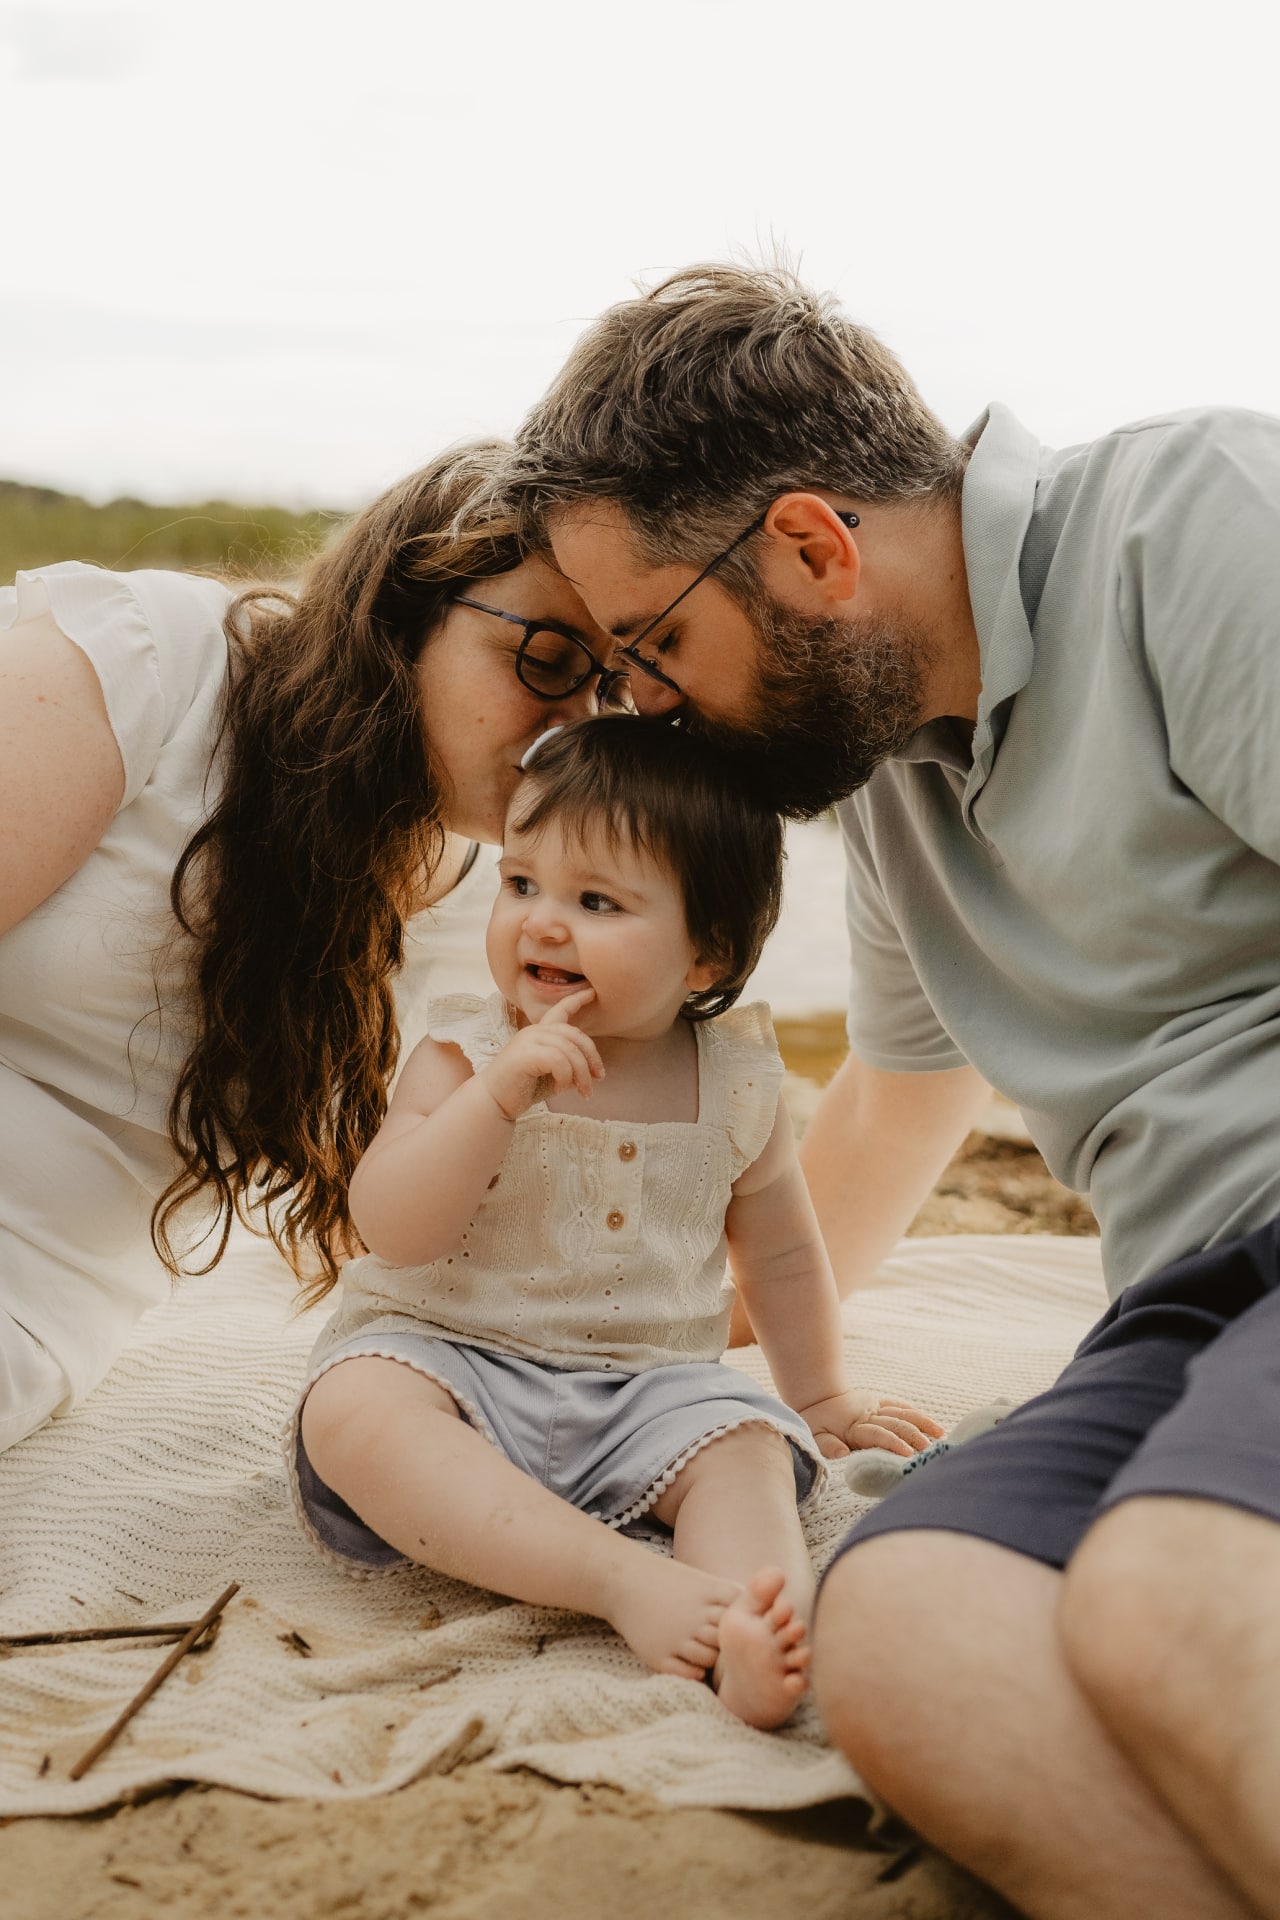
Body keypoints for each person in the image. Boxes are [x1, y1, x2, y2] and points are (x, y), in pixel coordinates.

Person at [500, 264, 1280, 1917]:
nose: (647, 709)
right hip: (1199, 1294)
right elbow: (896, 1101)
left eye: (655, 645)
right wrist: (651, 1350)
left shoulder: (1192, 527)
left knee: (1169, 1593)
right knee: (912, 1631)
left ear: (810, 548)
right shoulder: (892, 784)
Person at [292, 717, 942, 1729]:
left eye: (596, 901)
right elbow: (392, 1229)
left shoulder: (733, 1079)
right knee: (352, 1411)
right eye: (520, 884)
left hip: (650, 1393)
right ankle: (618, 1582)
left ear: (705, 952)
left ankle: (754, 1626)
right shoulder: (465, 1050)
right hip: (454, 1366)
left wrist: (819, 1396)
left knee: (743, 1450)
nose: (541, 924)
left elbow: (777, 1248)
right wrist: (497, 1100)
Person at [0, 440, 635, 1455]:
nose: (574, 730)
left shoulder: (477, 893)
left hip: (33, 1305)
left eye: (614, 693)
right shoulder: (159, 659)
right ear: (401, 607)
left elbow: (412, 1198)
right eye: (548, 661)